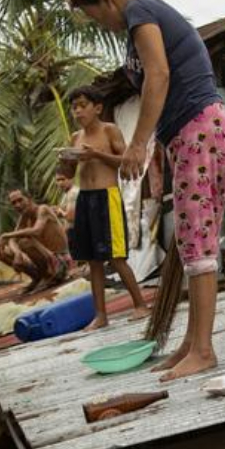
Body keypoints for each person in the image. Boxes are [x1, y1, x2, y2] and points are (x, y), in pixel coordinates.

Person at [68, 0, 225, 380]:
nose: (99, 24)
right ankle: (190, 343)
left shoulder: (139, 12)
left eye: (94, 16)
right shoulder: (142, 16)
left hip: (201, 131)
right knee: (190, 240)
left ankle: (203, 349)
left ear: (106, 0)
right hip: (196, 133)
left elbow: (159, 75)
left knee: (197, 244)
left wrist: (140, 143)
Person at [58, 86, 150, 328]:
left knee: (116, 257)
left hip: (107, 197)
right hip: (85, 200)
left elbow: (125, 161)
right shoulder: (75, 138)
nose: (77, 111)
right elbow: (68, 172)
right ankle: (101, 315)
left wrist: (97, 155)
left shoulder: (110, 131)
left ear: (97, 108)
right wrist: (65, 165)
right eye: (74, 107)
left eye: (82, 105)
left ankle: (140, 304)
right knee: (92, 260)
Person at [0, 186, 73, 291]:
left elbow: (36, 231)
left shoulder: (43, 209)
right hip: (47, 260)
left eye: (20, 200)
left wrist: (6, 235)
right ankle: (38, 277)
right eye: (14, 203)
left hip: (61, 262)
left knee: (25, 242)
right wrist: (17, 253)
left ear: (29, 199)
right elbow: (12, 240)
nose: (17, 205)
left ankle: (52, 275)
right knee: (0, 250)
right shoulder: (24, 216)